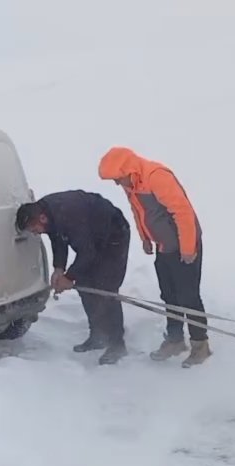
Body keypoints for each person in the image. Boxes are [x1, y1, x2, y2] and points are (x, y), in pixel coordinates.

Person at [97, 146, 211, 368]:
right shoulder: (132, 183)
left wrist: (187, 248)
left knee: (188, 297)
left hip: (184, 243)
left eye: (118, 179)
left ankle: (200, 345)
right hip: (164, 245)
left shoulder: (155, 177)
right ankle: (176, 340)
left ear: (128, 171)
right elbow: (138, 210)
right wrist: (145, 237)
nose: (117, 184)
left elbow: (183, 211)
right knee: (169, 294)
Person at [16, 190, 131, 365]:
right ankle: (98, 335)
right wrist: (59, 268)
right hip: (90, 241)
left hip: (112, 237)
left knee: (106, 289)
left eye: (34, 230)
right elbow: (58, 239)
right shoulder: (45, 211)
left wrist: (69, 277)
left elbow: (88, 252)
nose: (35, 234)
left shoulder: (69, 214)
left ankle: (117, 343)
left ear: (41, 219)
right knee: (85, 284)